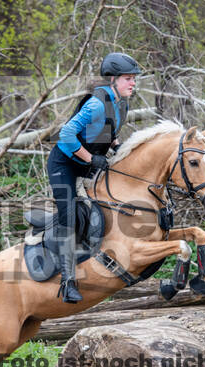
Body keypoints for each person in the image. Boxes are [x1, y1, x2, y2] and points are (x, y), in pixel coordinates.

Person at [47, 52, 141, 303]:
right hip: (64, 163)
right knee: (69, 214)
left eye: (134, 79)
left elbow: (108, 130)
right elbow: (66, 135)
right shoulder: (96, 103)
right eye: (128, 79)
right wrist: (90, 159)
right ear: (113, 80)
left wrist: (117, 146)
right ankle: (67, 281)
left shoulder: (122, 103)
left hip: (89, 161)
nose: (133, 83)